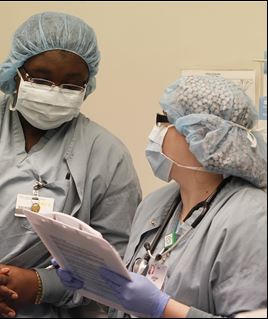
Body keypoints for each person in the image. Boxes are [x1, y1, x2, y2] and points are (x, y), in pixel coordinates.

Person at [0, 11, 141, 318]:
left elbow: (117, 265)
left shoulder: (107, 155)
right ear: (15, 72)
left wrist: (39, 284)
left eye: (72, 85)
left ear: (88, 86)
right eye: (40, 78)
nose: (54, 91)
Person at [56, 75, 267, 317]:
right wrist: (95, 282)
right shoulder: (156, 205)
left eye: (164, 120)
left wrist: (163, 308)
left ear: (202, 136)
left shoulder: (252, 217)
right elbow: (131, 300)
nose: (156, 132)